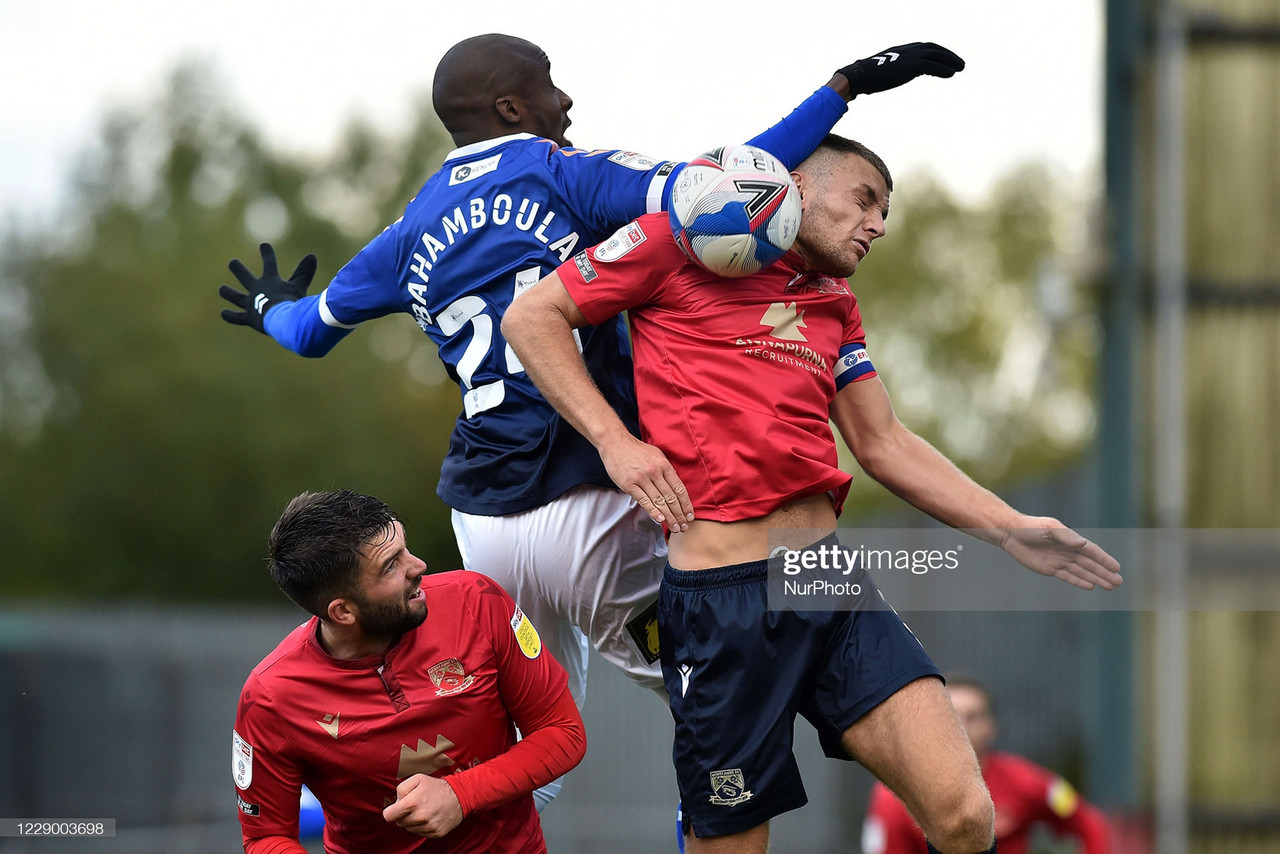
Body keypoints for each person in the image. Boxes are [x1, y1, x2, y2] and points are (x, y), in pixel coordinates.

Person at [217, 31, 965, 774]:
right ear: (512, 106)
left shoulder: (408, 230)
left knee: (516, 752)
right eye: (547, 82)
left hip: (485, 522)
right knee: (720, 712)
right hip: (593, 497)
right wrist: (841, 88)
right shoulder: (558, 171)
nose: (564, 98)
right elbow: (726, 185)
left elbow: (309, 330)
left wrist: (268, 308)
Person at [501, 133, 1124, 853]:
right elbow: (531, 316)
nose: (879, 224)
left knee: (963, 815)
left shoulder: (834, 300)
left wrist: (1011, 528)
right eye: (865, 199)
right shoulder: (678, 240)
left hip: (824, 577)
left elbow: (884, 442)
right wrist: (617, 443)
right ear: (793, 185)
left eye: (886, 211)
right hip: (722, 597)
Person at [232, 489, 586, 854]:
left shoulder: (477, 602)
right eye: (391, 565)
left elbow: (563, 732)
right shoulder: (270, 697)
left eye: (405, 548)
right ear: (343, 612)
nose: (418, 566)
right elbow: (265, 837)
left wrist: (460, 794)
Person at [863, 673, 1113, 854]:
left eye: (972, 716)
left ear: (991, 726)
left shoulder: (1025, 780)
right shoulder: (895, 795)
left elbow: (1088, 823)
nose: (961, 725)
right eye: (951, 714)